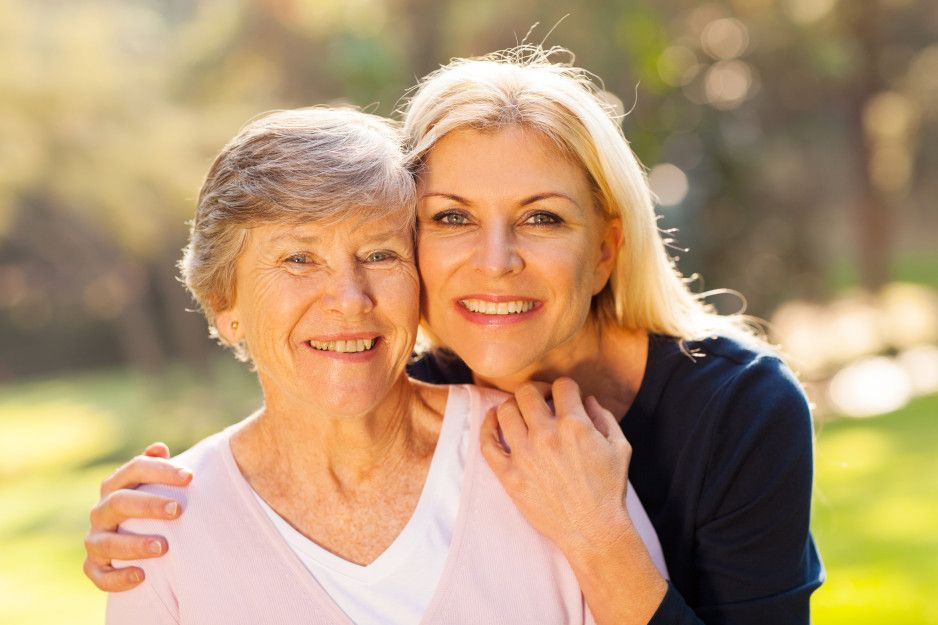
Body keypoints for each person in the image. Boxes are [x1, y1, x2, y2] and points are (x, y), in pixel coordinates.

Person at [85, 46, 823, 625]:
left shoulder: (739, 408)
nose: (495, 262)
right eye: (451, 218)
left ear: (605, 248)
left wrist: (596, 533)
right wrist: (180, 506)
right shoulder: (413, 380)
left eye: (541, 217)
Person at [101, 105, 666, 625]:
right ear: (226, 304)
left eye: (379, 254)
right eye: (299, 259)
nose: (350, 297)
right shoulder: (160, 532)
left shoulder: (557, 454)